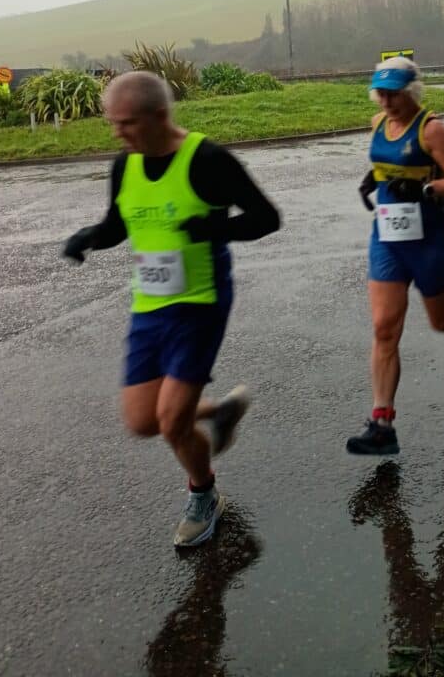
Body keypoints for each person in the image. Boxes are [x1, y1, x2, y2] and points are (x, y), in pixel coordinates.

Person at [63, 71, 280, 548]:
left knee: (172, 424)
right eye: (113, 123)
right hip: (149, 305)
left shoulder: (208, 160)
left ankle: (204, 495)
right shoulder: (126, 164)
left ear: (160, 116)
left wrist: (214, 228)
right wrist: (90, 238)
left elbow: (268, 218)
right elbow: (118, 224)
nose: (117, 133)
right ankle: (219, 410)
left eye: (126, 123)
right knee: (143, 420)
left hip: (200, 304)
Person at [348, 57, 444, 456]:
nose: (388, 102)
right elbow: (385, 164)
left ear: (411, 92)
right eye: (383, 94)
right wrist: (369, 182)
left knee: (441, 320)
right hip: (388, 238)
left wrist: (428, 190)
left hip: (430, 241)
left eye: (395, 94)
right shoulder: (378, 123)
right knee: (384, 328)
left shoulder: (432, 130)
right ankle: (382, 423)